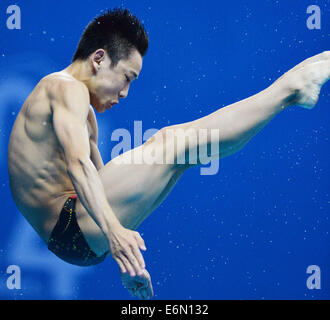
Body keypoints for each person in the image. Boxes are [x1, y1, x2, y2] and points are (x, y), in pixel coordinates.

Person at [7, 8, 330, 300]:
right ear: (99, 58)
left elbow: (106, 183)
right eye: (126, 78)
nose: (124, 93)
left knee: (180, 150)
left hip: (75, 234)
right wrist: (114, 233)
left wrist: (122, 258)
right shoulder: (64, 88)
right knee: (174, 144)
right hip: (71, 226)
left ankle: (289, 90)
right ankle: (289, 90)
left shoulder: (80, 106)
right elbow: (79, 166)